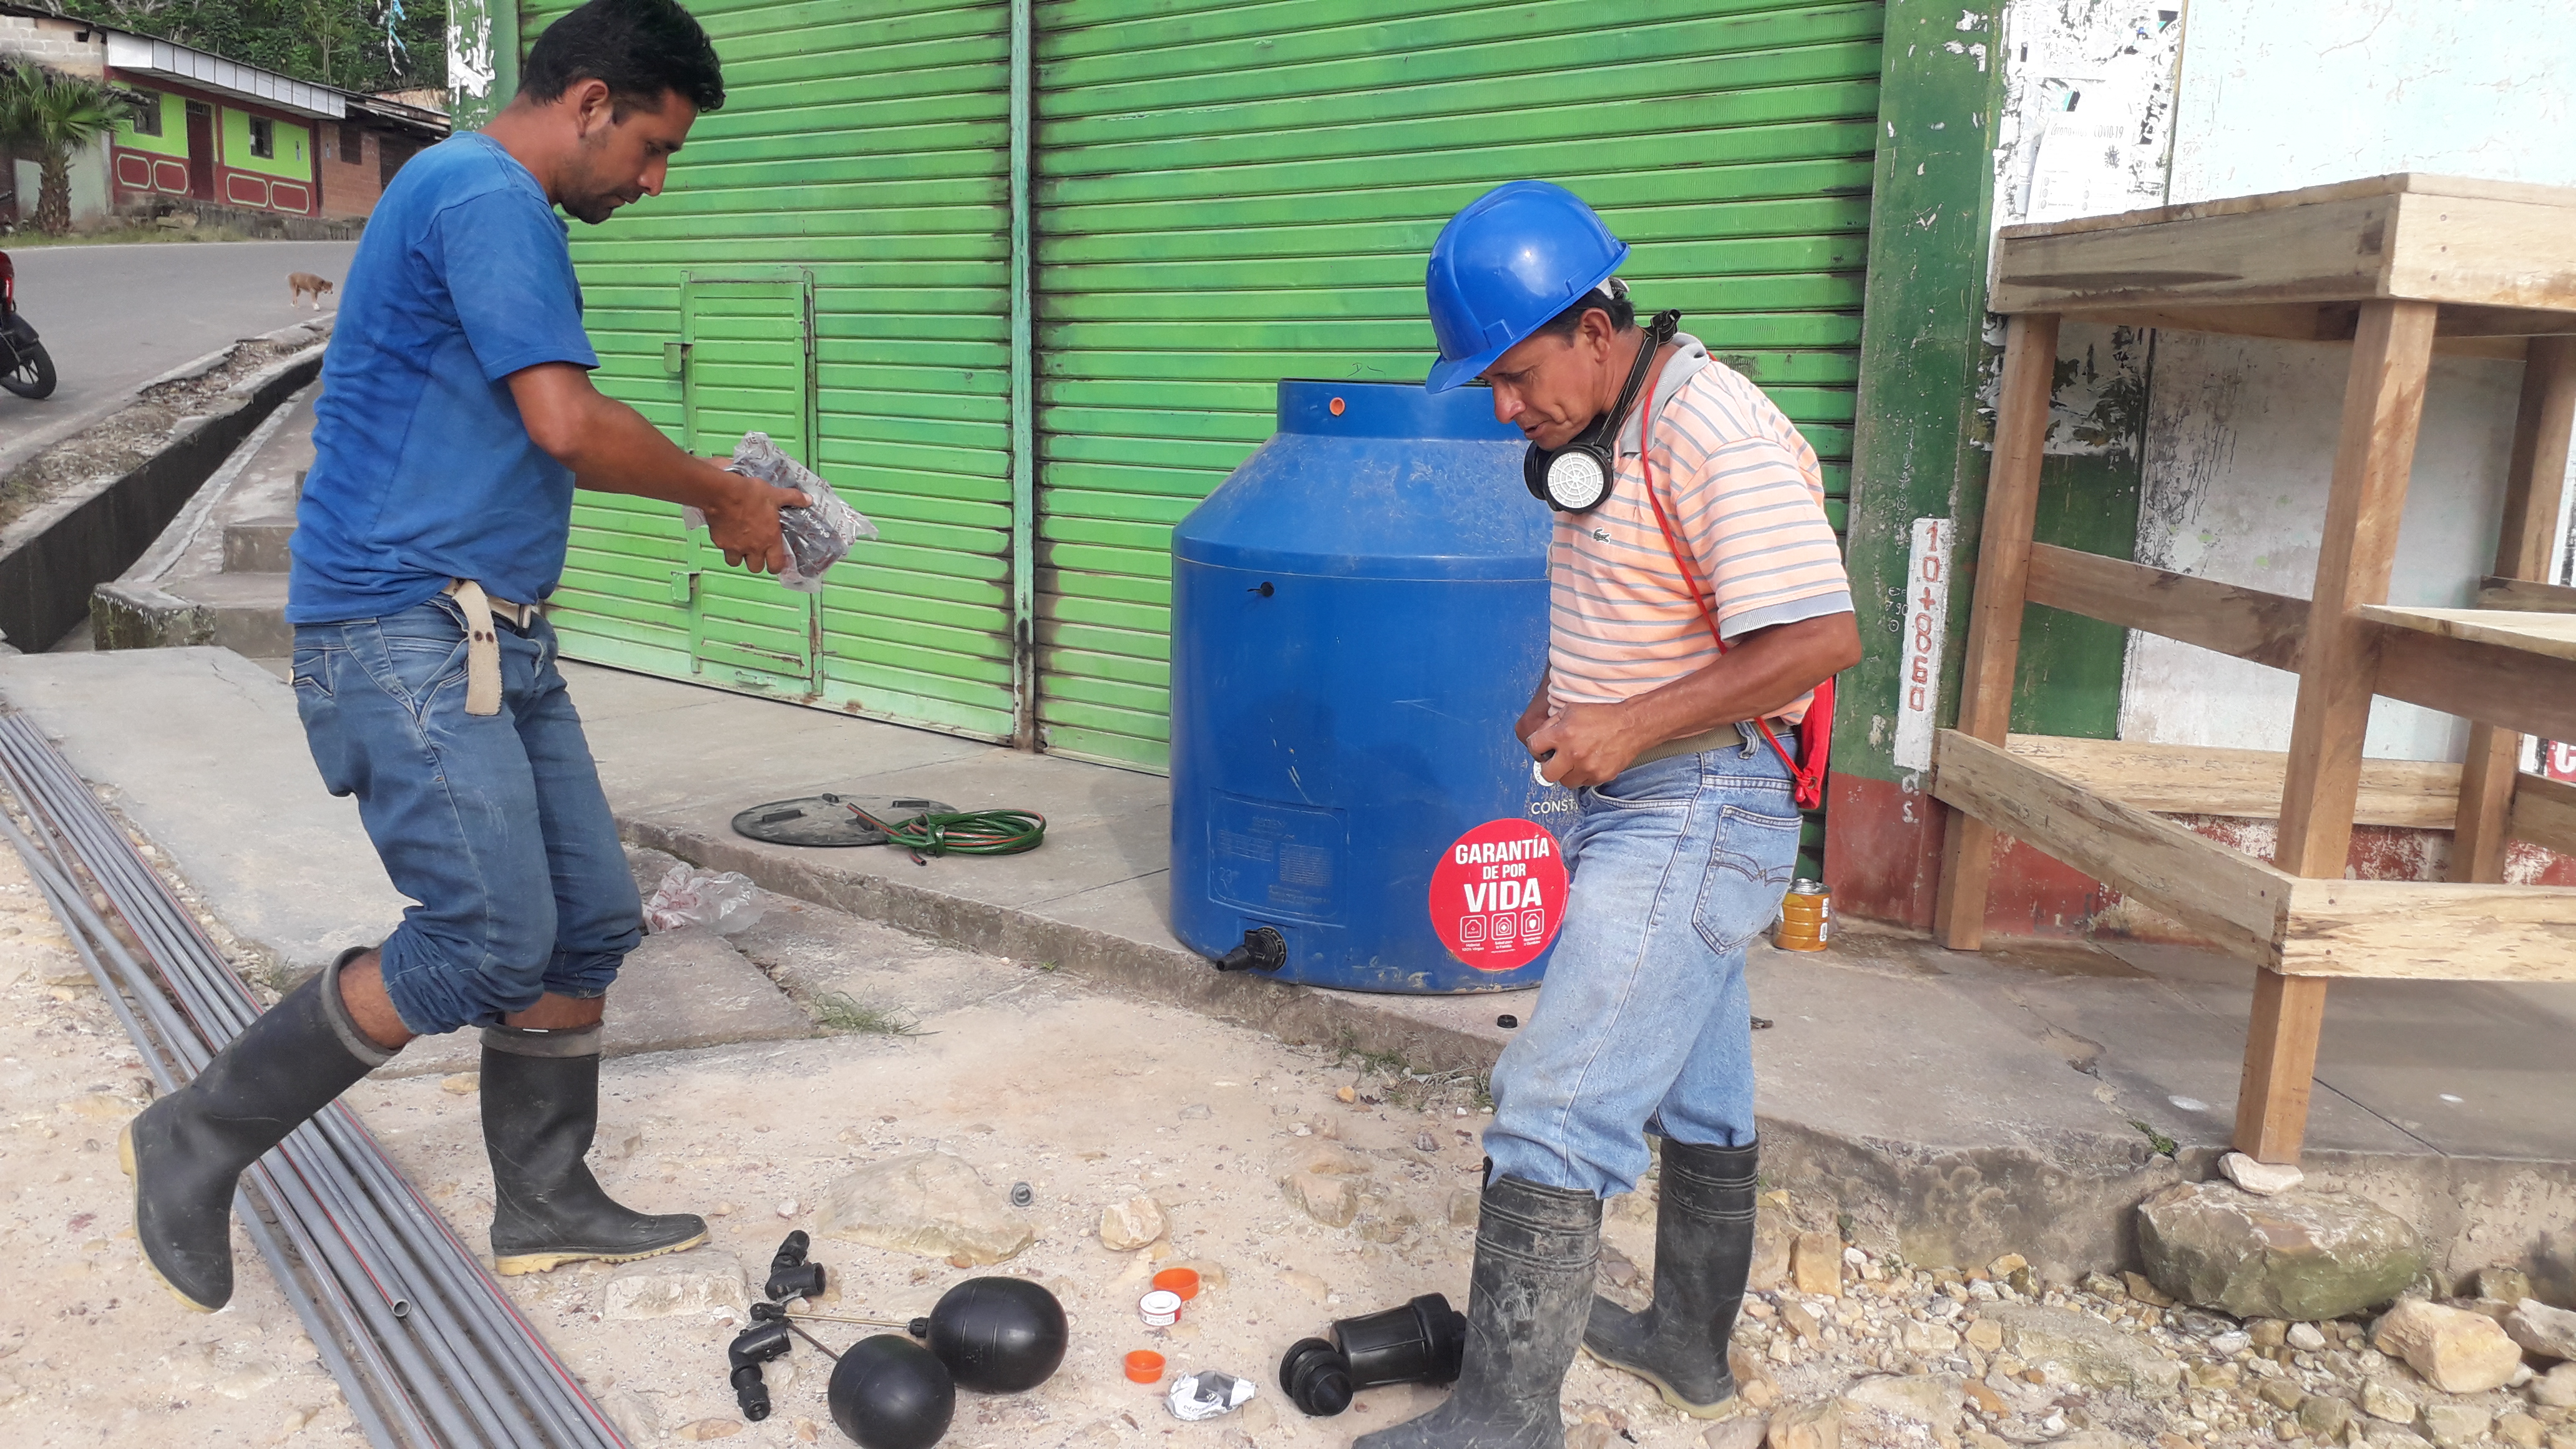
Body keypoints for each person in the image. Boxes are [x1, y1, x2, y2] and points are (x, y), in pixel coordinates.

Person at [119, 0, 808, 1313]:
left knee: (587, 924)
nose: (656, 184)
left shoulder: (491, 203)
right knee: (488, 937)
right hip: (401, 627)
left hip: (494, 633)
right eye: (655, 148)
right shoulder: (481, 192)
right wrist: (718, 493)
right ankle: (198, 1133)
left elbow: (543, 417)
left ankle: (545, 1200)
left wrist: (714, 486)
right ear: (592, 100)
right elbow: (566, 420)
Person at [1361, 181, 1862, 1448]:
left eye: (1516, 374)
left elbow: (1819, 637)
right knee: (1702, 1101)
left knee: (1557, 1097)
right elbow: (1625, 597)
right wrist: (1560, 701)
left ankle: (1504, 1419)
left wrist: (1630, 726)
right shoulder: (1602, 436)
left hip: (1700, 800)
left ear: (1597, 326)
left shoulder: (1711, 429)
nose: (1504, 406)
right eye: (1488, 383)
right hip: (1644, 792)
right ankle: (1687, 1345)